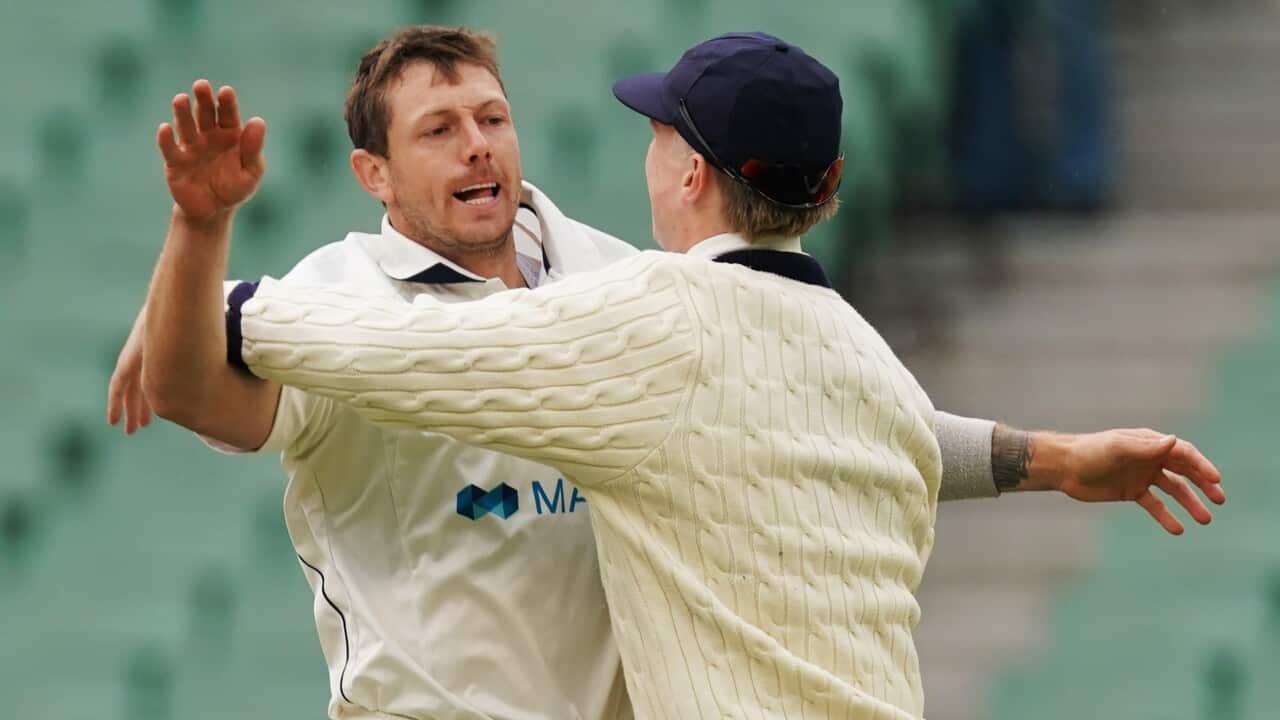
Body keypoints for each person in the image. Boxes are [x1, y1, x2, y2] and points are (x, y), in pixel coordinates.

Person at [113, 25, 1222, 720]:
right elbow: (196, 388)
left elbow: (816, 421)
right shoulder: (359, 286)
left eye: (492, 118)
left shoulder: (638, 292)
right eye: (440, 129)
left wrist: (220, 304)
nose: (479, 146)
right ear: (372, 174)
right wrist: (195, 253)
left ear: (687, 168)